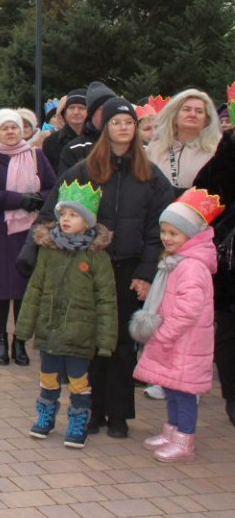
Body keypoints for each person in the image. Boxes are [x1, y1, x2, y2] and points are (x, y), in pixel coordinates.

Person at [30, 97, 174, 438]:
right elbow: (55, 211)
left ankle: (120, 414)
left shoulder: (150, 174)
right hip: (90, 267)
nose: (123, 128)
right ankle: (91, 411)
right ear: (105, 128)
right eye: (116, 122)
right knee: (91, 342)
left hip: (128, 270)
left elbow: (159, 227)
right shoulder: (85, 169)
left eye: (128, 122)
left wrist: (146, 272)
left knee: (123, 344)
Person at [16, 180, 117, 449]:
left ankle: (78, 420)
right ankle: (46, 414)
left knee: (78, 379)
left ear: (88, 221)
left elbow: (106, 299)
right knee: (48, 375)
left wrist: (106, 339)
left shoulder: (97, 256)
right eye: (63, 214)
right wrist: (24, 327)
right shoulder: (49, 251)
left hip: (80, 333)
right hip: (50, 327)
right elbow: (35, 288)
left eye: (73, 215)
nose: (66, 219)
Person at [133, 188, 222, 462]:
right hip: (175, 341)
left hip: (185, 341)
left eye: (173, 233)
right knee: (171, 387)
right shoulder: (177, 261)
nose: (166, 238)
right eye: (164, 232)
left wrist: (165, 332)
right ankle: (172, 431)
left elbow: (188, 309)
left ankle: (185, 440)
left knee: (184, 392)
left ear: (190, 235)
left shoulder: (192, 266)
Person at [0, 109, 57, 365]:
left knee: (24, 290)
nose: (10, 132)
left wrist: (37, 200)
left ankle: (19, 340)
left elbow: (54, 189)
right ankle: (0, 338)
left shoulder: (37, 156)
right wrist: (19, 199)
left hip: (29, 234)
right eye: (4, 128)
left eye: (14, 127)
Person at [192, 127, 235, 428]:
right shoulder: (228, 151)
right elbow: (205, 191)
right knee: (230, 330)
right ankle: (232, 396)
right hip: (231, 257)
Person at [146, 88, 221, 191]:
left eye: (199, 111)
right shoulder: (154, 148)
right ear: (175, 115)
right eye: (187, 109)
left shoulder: (216, 151)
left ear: (206, 120)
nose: (192, 114)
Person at [57, 81, 116, 174]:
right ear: (91, 113)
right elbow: (65, 185)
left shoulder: (127, 144)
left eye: (112, 107)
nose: (108, 112)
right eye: (101, 108)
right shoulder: (74, 149)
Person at [41, 90, 87, 170]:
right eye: (71, 107)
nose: (76, 112)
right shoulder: (51, 141)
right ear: (64, 112)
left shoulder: (98, 139)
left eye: (81, 108)